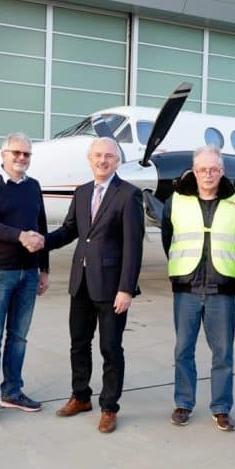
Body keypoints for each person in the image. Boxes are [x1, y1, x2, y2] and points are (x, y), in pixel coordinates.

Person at [46, 137, 144, 434]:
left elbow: (133, 247)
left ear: (117, 161)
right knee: (79, 344)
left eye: (109, 156)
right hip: (82, 284)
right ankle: (80, 396)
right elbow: (69, 231)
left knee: (110, 348)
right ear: (90, 159)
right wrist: (40, 242)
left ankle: (109, 407)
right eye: (98, 155)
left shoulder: (128, 195)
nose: (103, 160)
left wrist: (126, 288)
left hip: (112, 287)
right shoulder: (82, 191)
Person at [161, 145, 235, 432]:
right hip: (186, 288)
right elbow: (168, 237)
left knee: (223, 353)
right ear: (194, 170)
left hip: (222, 289)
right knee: (183, 351)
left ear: (222, 171)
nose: (208, 174)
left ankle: (221, 407)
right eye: (202, 169)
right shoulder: (175, 200)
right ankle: (183, 403)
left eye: (214, 169)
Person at [0, 132, 50, 428]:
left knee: (18, 337)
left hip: (28, 274)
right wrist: (18, 236)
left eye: (26, 154)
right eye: (16, 153)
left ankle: (12, 392)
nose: (21, 158)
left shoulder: (34, 187)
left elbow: (40, 227)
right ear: (3, 154)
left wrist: (44, 269)